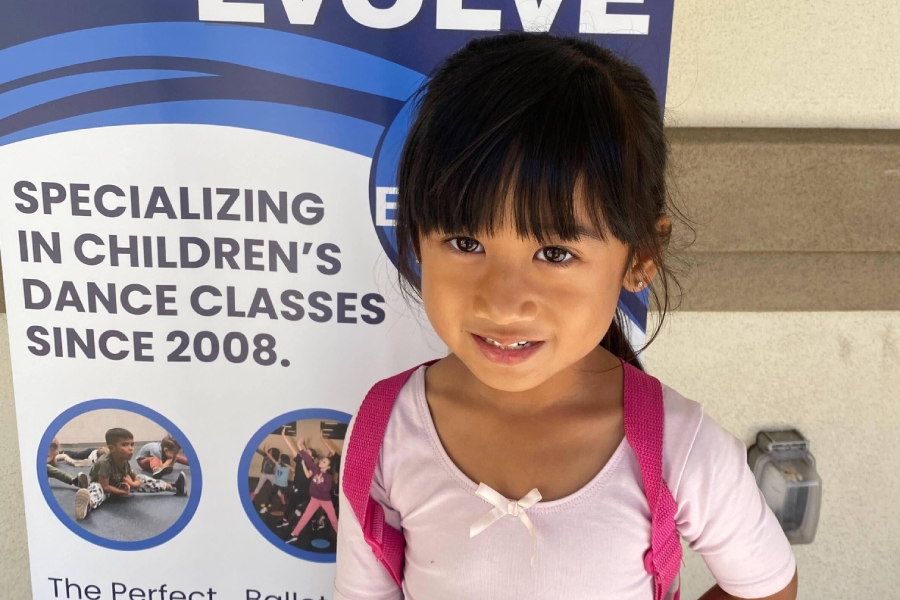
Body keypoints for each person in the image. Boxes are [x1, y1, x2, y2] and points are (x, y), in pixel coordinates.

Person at [333, 33, 798, 600]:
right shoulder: (385, 433)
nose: (502, 302)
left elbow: (767, 587)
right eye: (464, 241)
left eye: (555, 254)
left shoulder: (682, 447)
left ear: (640, 260)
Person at [74, 428, 186, 520]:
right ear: (112, 449)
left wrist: (133, 484)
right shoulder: (105, 463)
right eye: (125, 445)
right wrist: (122, 492)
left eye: (132, 444)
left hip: (120, 485)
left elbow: (136, 478)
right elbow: (105, 486)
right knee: (96, 488)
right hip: (105, 488)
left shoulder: (125, 463)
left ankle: (175, 488)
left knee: (143, 479)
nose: (131, 449)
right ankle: (87, 505)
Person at [285, 446, 337, 544]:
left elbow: (326, 490)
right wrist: (300, 448)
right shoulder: (316, 470)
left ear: (328, 467)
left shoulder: (329, 477)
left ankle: (340, 536)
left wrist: (319, 481)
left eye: (324, 462)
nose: (321, 462)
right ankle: (294, 534)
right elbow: (308, 461)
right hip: (314, 499)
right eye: (322, 460)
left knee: (333, 519)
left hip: (325, 500)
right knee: (305, 517)